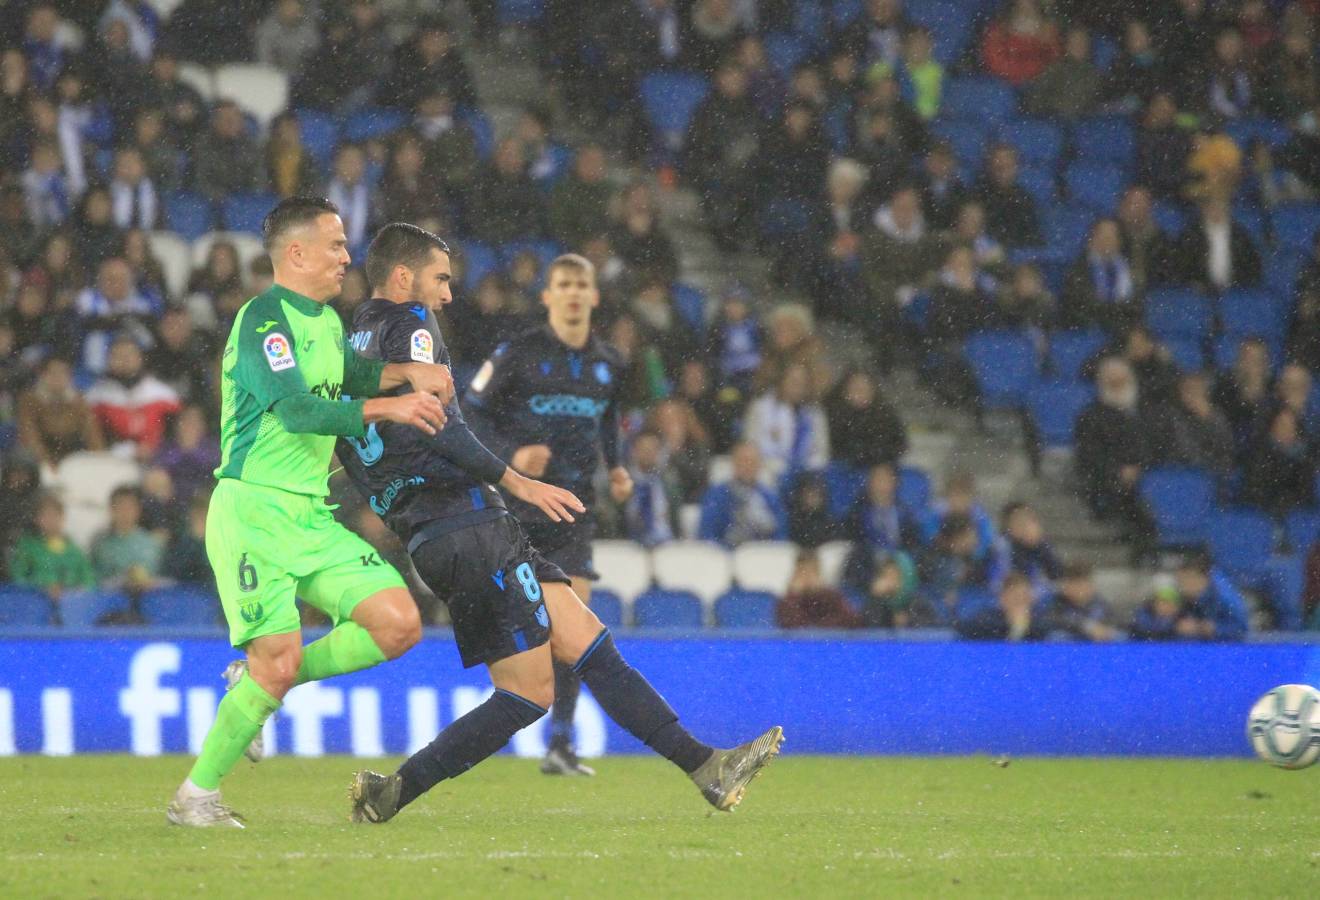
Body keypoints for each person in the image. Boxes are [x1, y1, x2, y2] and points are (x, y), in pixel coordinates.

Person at [338, 222, 782, 821]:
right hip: (467, 526)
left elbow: (344, 441)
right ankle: (397, 790)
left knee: (582, 651)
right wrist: (516, 479)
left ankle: (706, 766)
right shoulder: (412, 328)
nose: (447, 294)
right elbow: (439, 422)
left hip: (440, 534)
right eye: (440, 278)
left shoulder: (348, 344)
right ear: (402, 276)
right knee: (533, 690)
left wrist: (388, 498)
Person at [166, 197, 455, 828]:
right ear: (296, 254)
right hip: (254, 513)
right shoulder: (263, 321)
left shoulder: (323, 321)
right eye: (336, 245)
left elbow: (348, 373)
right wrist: (394, 408)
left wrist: (405, 372)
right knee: (280, 656)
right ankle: (195, 798)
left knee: (398, 623)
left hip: (310, 516)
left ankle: (260, 681)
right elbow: (296, 410)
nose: (347, 257)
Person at [463, 253, 633, 777]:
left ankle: (560, 742)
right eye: (564, 284)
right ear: (548, 296)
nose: (575, 293)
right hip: (517, 503)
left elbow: (608, 424)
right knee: (522, 623)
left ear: (594, 295)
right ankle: (509, 711)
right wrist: (511, 457)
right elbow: (470, 411)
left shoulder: (609, 363)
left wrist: (618, 468)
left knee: (577, 623)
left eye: (582, 284)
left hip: (574, 509)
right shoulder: (519, 353)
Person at [8, 492, 95, 617]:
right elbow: (18, 577)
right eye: (45, 515)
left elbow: (89, 581)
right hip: (33, 609)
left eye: (55, 515)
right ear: (36, 519)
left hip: (72, 611)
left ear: (62, 517)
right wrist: (42, 588)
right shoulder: (27, 546)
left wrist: (71, 592)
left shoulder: (74, 550)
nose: (50, 520)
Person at [1132, 551, 1248, 641]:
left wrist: (1211, 629)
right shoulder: (1183, 593)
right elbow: (1145, 618)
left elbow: (1242, 629)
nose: (1182, 586)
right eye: (1180, 581)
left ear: (1201, 578)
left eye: (1186, 581)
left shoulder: (1225, 597)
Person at [742, 362, 830, 480]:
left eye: (803, 383)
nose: (798, 387)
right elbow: (750, 445)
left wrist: (806, 468)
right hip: (768, 471)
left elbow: (822, 452)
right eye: (793, 381)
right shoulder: (760, 408)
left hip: (805, 473)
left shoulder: (815, 414)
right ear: (781, 381)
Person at [698, 440, 788, 547]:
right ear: (734, 463)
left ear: (759, 465)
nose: (748, 466)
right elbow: (708, 533)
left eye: (753, 461)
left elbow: (781, 534)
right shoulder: (716, 495)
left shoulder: (770, 497)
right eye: (744, 460)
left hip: (763, 556)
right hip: (728, 556)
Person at [824, 369, 907, 470]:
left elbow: (898, 445)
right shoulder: (831, 414)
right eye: (855, 387)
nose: (860, 392)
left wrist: (876, 457)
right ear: (844, 391)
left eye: (865, 388)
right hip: (840, 469)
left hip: (877, 469)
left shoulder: (886, 416)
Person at [90, 485, 162, 590]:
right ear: (111, 510)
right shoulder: (100, 543)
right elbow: (93, 580)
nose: (125, 513)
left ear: (138, 510)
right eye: (120, 507)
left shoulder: (150, 543)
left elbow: (159, 577)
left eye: (130, 507)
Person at [776, 551, 862, 629]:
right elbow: (792, 625)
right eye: (803, 572)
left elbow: (852, 621)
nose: (807, 577)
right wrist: (794, 595)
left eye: (812, 572)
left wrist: (822, 594)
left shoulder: (832, 597)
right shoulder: (787, 601)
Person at [1036, 560, 1117, 641]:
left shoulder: (1100, 605)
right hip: (1070, 640)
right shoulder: (1053, 602)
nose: (1079, 590)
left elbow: (1112, 623)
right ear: (1065, 586)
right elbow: (1047, 622)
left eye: (1082, 585)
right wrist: (1085, 626)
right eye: (1074, 585)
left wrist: (1104, 630)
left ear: (1091, 586)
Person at [956, 572, 1047, 640]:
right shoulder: (986, 619)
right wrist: (1014, 627)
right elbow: (971, 630)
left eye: (1024, 597)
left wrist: (1024, 625)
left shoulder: (1040, 619)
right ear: (1003, 599)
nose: (1020, 603)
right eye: (1016, 598)